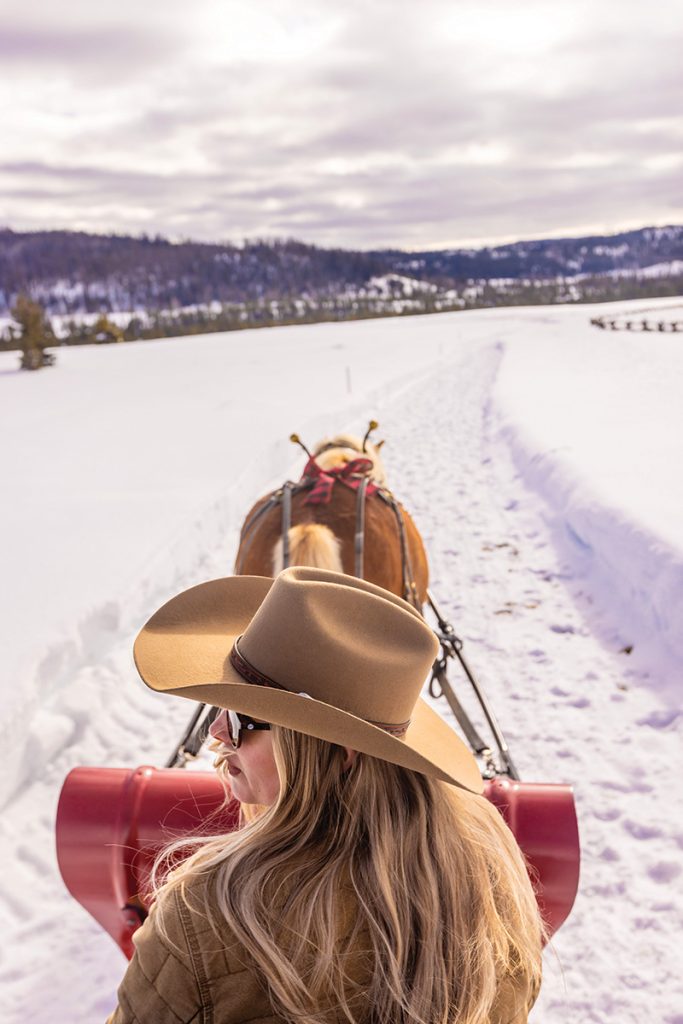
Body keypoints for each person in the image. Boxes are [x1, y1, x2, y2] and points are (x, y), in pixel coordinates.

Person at [108, 567, 543, 1024]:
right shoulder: (489, 871)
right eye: (220, 708)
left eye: (244, 717)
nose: (216, 732)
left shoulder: (209, 914)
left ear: (340, 754)